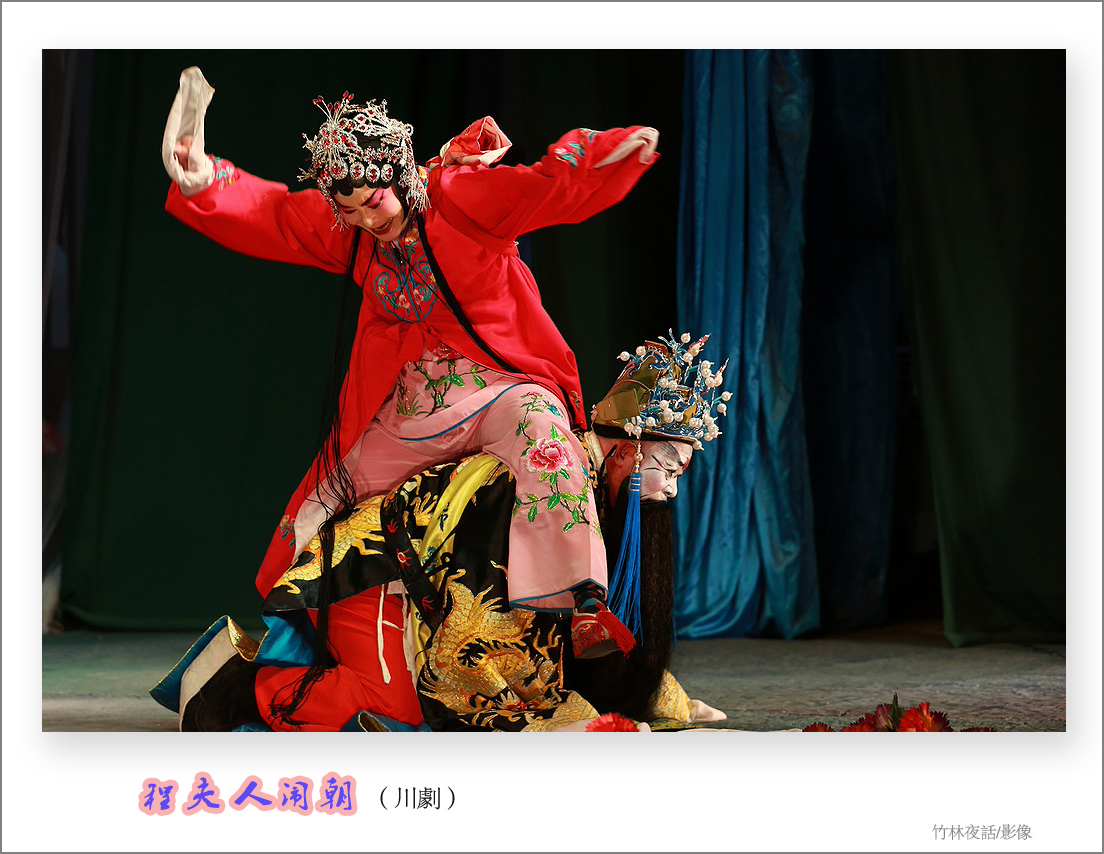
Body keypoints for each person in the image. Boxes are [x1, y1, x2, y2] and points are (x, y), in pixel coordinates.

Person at [160, 65, 662, 694]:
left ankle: (582, 603)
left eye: (374, 202)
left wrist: (609, 153)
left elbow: (543, 186)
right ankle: (310, 637)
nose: (368, 221)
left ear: (397, 175)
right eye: (351, 211)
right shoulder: (350, 232)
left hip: (501, 382)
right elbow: (277, 213)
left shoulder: (459, 198)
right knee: (326, 497)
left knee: (546, 436)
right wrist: (204, 177)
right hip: (416, 401)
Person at [151, 331, 730, 732]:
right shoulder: (546, 469)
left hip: (422, 592)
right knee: (397, 706)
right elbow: (475, 616)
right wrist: (543, 716)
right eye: (671, 469)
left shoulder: (594, 493)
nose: (672, 489)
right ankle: (233, 686)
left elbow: (548, 634)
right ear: (628, 452)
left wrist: (643, 691)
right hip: (380, 576)